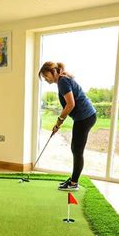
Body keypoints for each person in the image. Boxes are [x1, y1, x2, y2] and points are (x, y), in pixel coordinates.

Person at [38, 61, 97, 191]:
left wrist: (59, 122)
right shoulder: (62, 80)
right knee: (75, 148)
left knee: (77, 150)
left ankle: (74, 183)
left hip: (85, 117)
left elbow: (70, 104)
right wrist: (59, 122)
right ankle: (73, 179)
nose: (45, 79)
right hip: (85, 117)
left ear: (53, 71)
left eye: (45, 75)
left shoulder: (62, 81)